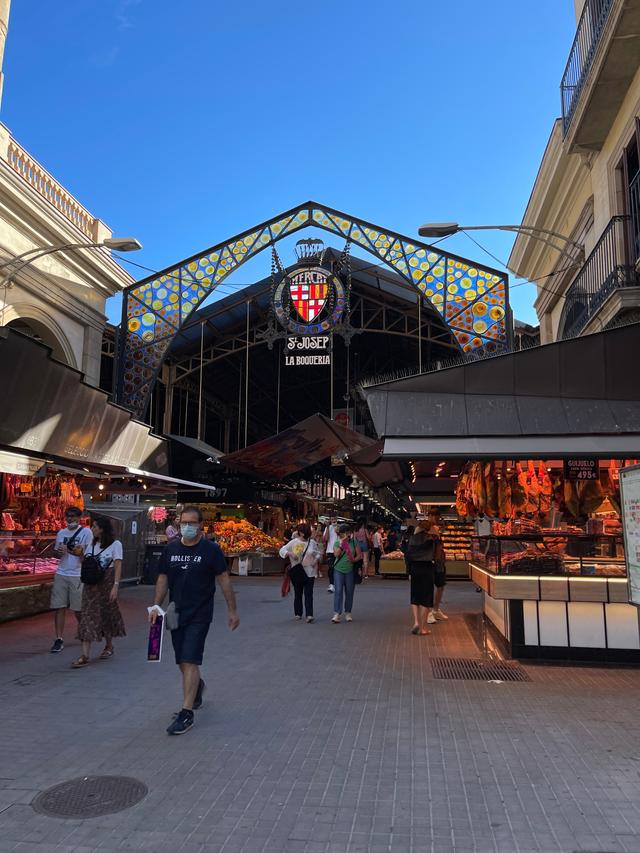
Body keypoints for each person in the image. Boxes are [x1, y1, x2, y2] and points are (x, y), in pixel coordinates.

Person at [149, 506, 239, 735]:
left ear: (200, 525)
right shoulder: (171, 549)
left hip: (200, 613)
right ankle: (196, 687)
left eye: (191, 523)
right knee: (181, 660)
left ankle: (186, 712)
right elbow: (163, 578)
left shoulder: (211, 550)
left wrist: (232, 610)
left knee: (190, 659)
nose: (186, 527)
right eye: (183, 523)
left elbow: (224, 580)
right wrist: (156, 605)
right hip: (174, 612)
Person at [72, 516, 126, 667]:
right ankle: (85, 654)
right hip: (90, 585)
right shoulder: (90, 544)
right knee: (87, 615)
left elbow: (118, 565)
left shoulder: (116, 545)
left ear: (102, 529)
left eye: (95, 526)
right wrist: (79, 554)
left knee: (106, 613)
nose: (92, 529)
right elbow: (86, 561)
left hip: (106, 583)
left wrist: (116, 585)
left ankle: (109, 645)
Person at [50, 507, 93, 653]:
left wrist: (73, 552)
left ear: (79, 518)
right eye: (68, 516)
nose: (70, 519)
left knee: (78, 608)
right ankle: (59, 638)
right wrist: (58, 553)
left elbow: (87, 556)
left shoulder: (86, 532)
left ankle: (84, 630)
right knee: (59, 606)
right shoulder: (61, 533)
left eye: (74, 517)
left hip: (77, 574)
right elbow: (56, 554)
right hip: (61, 572)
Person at [405, 519, 444, 636]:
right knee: (426, 598)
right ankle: (422, 628)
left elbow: (408, 556)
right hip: (427, 568)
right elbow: (437, 557)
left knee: (415, 596)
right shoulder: (434, 540)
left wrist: (409, 572)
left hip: (415, 569)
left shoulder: (412, 538)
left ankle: (416, 622)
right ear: (430, 528)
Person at [279, 524, 320, 622]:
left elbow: (318, 553)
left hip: (310, 571)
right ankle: (298, 613)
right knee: (298, 593)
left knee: (309, 593)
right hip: (297, 571)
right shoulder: (293, 542)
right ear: (300, 533)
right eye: (304, 532)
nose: (305, 534)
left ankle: (309, 615)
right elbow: (282, 550)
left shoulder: (312, 543)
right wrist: (290, 553)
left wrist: (315, 560)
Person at [332, 524, 361, 623]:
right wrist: (342, 544)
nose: (347, 535)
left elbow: (359, 556)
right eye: (344, 533)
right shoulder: (337, 542)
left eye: (348, 532)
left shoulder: (354, 542)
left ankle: (348, 612)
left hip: (350, 570)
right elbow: (336, 554)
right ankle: (337, 613)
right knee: (338, 591)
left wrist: (354, 560)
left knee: (349, 591)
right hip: (338, 570)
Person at [323, 516, 339, 593]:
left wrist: (337, 530)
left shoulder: (339, 527)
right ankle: (331, 584)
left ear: (337, 520)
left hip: (339, 550)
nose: (333, 521)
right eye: (332, 519)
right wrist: (327, 527)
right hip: (330, 551)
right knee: (331, 568)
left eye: (334, 519)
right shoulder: (327, 528)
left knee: (338, 568)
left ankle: (338, 583)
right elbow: (326, 539)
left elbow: (341, 536)